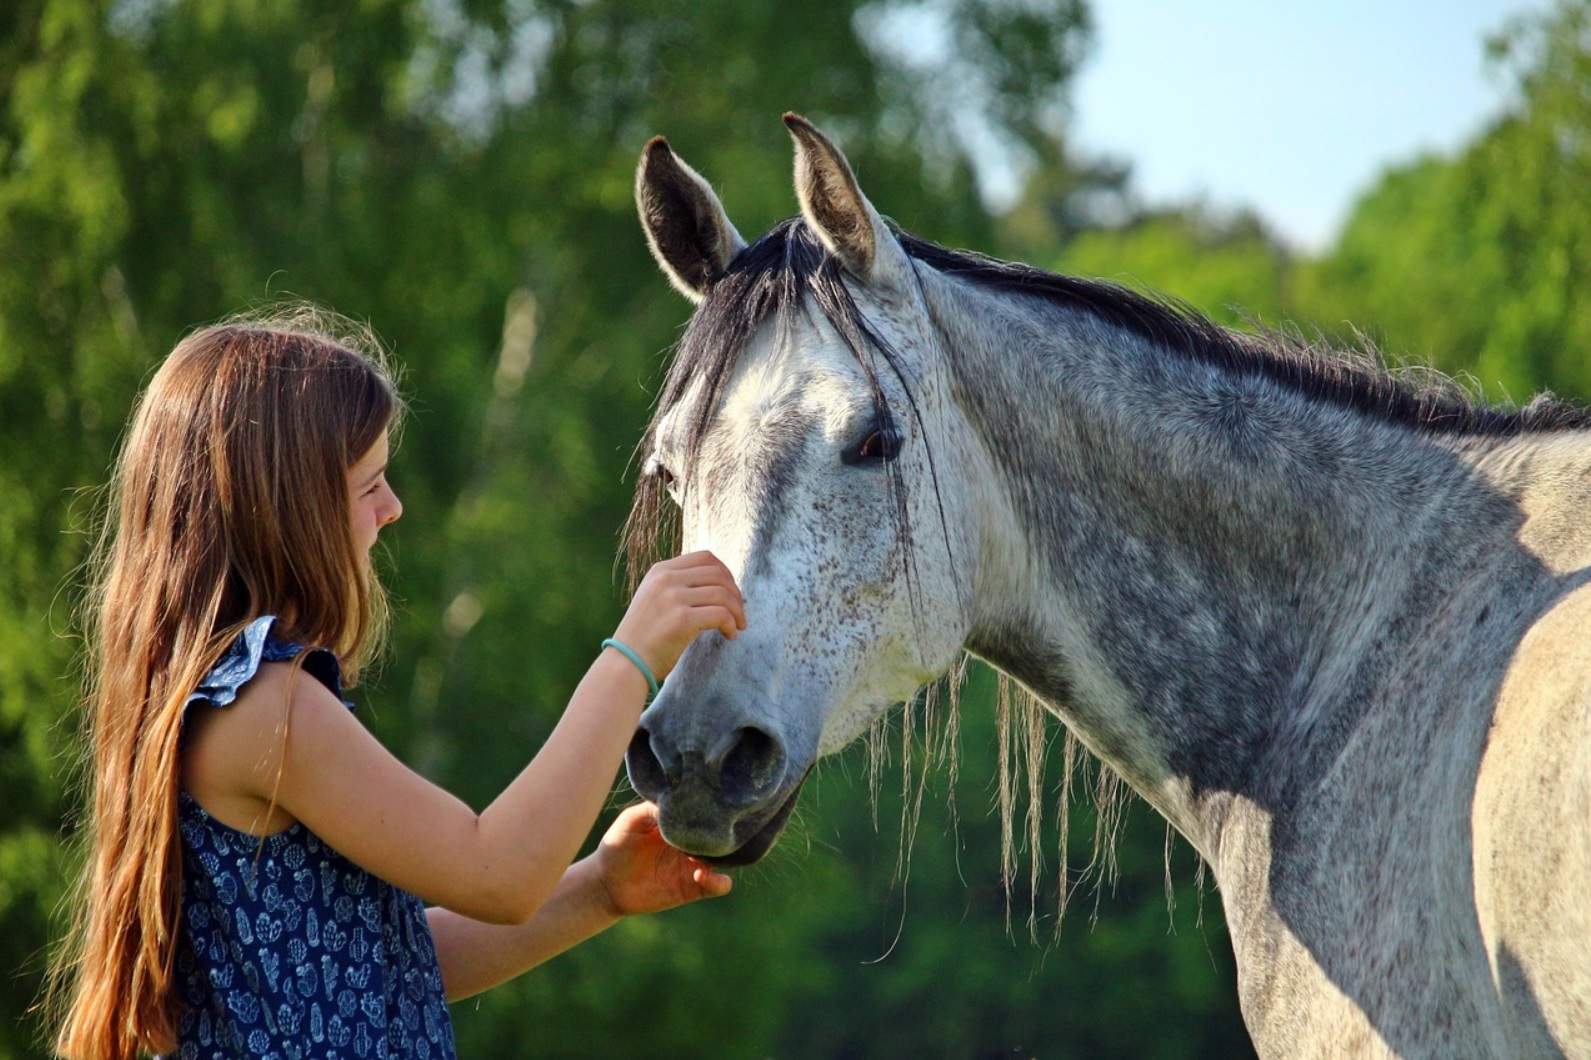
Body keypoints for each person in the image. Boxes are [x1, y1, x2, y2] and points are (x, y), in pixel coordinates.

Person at [47, 309, 744, 1059]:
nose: (392, 508)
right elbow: (498, 871)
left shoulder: (232, 700)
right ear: (290, 510)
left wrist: (596, 890)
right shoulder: (266, 709)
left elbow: (386, 972)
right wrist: (630, 657)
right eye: (369, 484)